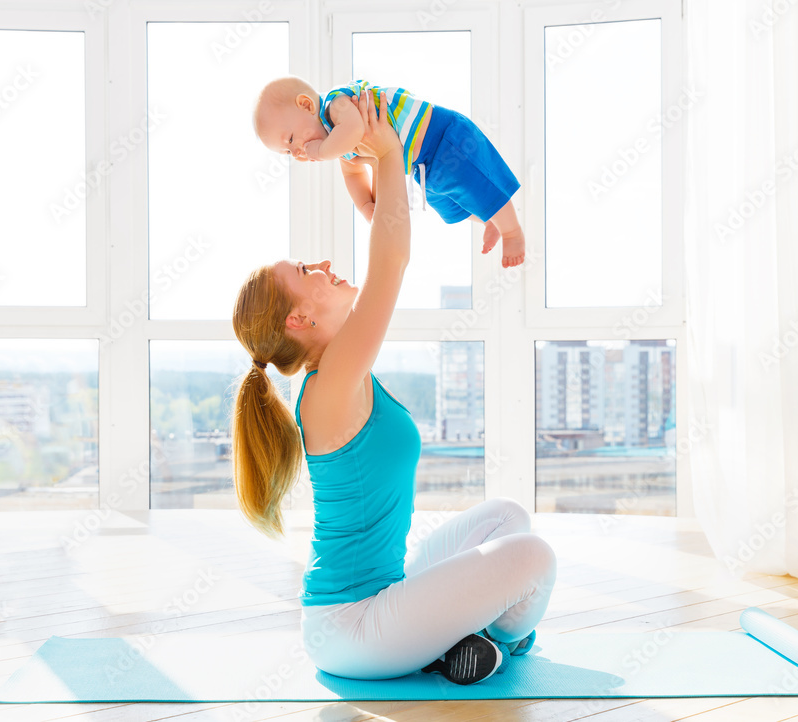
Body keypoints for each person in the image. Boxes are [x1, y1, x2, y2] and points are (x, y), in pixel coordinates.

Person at [232, 89, 555, 685]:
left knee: (508, 517)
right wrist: (386, 151)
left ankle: (458, 639)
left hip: (387, 595)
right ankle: (494, 639)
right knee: (534, 558)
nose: (324, 265)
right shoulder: (329, 386)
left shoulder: (340, 370)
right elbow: (391, 261)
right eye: (307, 273)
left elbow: (385, 232)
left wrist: (370, 164)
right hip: (350, 630)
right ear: (297, 322)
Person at [253, 76, 526, 269]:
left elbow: (354, 131)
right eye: (289, 153)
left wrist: (321, 151)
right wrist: (366, 206)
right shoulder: (339, 144)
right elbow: (352, 174)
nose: (298, 152)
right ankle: (490, 220)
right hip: (423, 166)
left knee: (476, 185)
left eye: (291, 140)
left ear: (306, 105)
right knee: (450, 204)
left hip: (444, 139)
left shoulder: (335, 106)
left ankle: (512, 232)